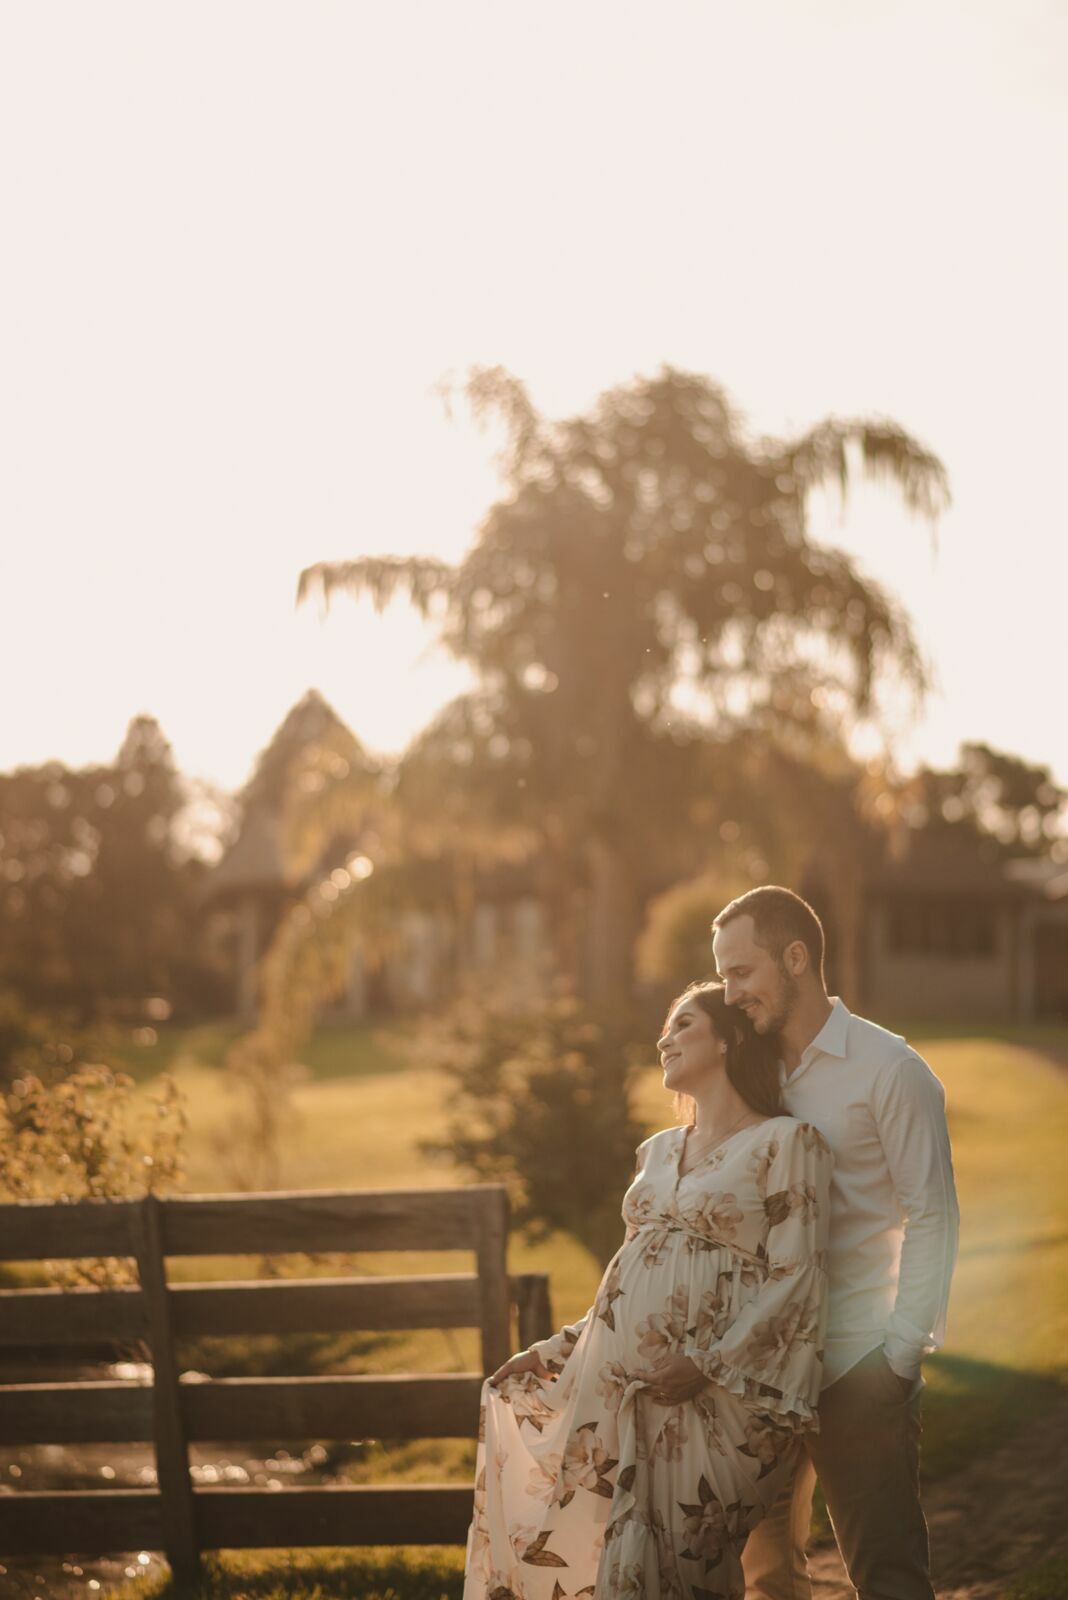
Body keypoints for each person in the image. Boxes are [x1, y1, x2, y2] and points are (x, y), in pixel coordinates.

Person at [463, 982, 834, 1600]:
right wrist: (559, 1348)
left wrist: (708, 1364)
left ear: (729, 1037)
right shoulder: (657, 1151)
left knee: (686, 1571)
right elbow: (632, 1272)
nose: (663, 1039)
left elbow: (798, 1276)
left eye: (682, 1024)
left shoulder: (787, 1142)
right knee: (623, 1576)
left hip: (718, 1395)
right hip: (619, 1395)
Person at [710, 886, 960, 1600]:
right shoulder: (749, 1071)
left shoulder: (892, 1071)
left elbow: (934, 1215)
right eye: (723, 976)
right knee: (768, 1582)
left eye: (741, 972)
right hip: (760, 1373)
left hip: (856, 1364)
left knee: (887, 1576)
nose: (730, 993)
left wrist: (901, 1355)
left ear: (796, 958)